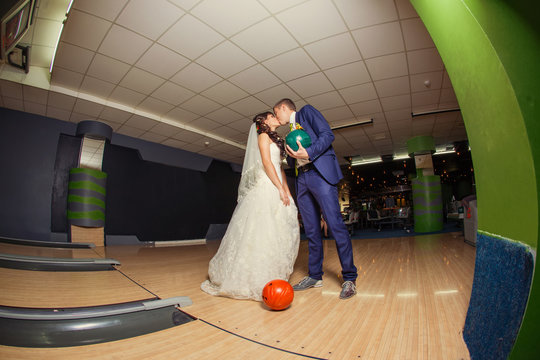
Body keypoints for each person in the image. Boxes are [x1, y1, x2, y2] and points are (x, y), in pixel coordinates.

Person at [201, 112, 300, 301]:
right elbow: (266, 162)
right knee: (261, 231)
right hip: (266, 186)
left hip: (277, 183)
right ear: (264, 121)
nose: (275, 117)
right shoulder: (263, 136)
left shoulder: (275, 138)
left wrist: (286, 190)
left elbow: (279, 167)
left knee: (277, 231)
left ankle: (273, 273)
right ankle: (253, 278)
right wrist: (278, 187)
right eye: (272, 116)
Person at [273, 99, 358, 300]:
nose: (277, 118)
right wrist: (289, 154)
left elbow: (328, 135)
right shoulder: (289, 133)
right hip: (302, 177)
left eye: (277, 113)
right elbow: (295, 157)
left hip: (320, 175)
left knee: (335, 225)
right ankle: (315, 276)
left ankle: (349, 278)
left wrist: (308, 152)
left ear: (284, 108)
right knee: (311, 229)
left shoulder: (307, 112)